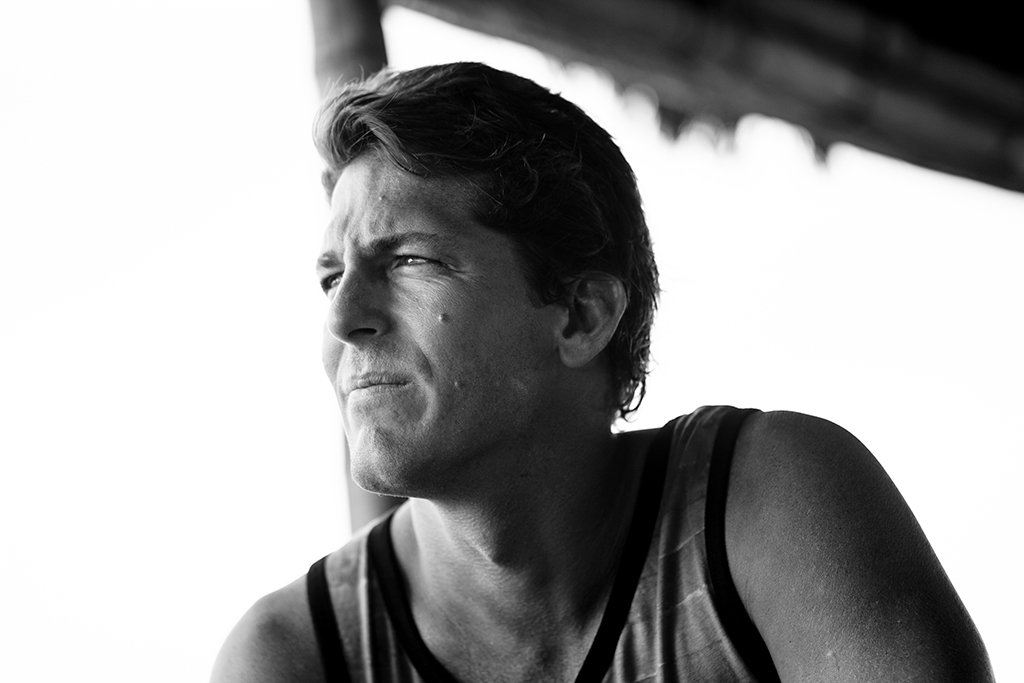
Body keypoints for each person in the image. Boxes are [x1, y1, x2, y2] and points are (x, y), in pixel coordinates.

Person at [211, 63, 992, 683]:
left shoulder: (765, 507)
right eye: (330, 277)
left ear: (581, 315)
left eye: (409, 260)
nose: (342, 318)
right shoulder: (296, 654)